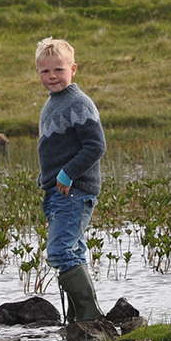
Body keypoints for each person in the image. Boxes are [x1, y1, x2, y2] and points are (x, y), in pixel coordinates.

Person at [35, 37, 107, 323]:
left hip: (74, 190)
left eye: (59, 70)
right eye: (45, 72)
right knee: (73, 249)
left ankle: (90, 318)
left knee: (60, 250)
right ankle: (80, 320)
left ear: (73, 69)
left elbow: (95, 145)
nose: (52, 76)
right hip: (57, 192)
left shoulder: (78, 103)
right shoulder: (52, 104)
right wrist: (47, 179)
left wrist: (66, 174)